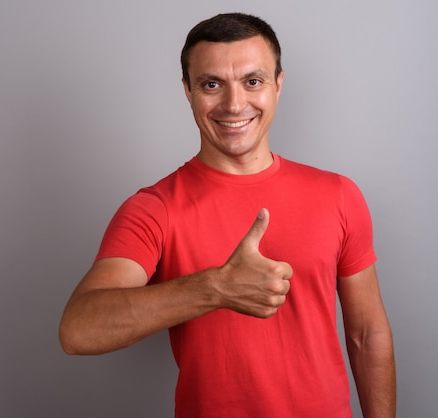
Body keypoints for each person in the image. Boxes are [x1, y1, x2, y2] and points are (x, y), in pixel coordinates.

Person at [59, 12, 395, 418]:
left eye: (253, 81)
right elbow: (78, 330)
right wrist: (215, 288)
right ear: (187, 90)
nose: (234, 104)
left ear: (278, 85)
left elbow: (366, 335)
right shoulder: (154, 209)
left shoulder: (338, 194)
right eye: (211, 84)